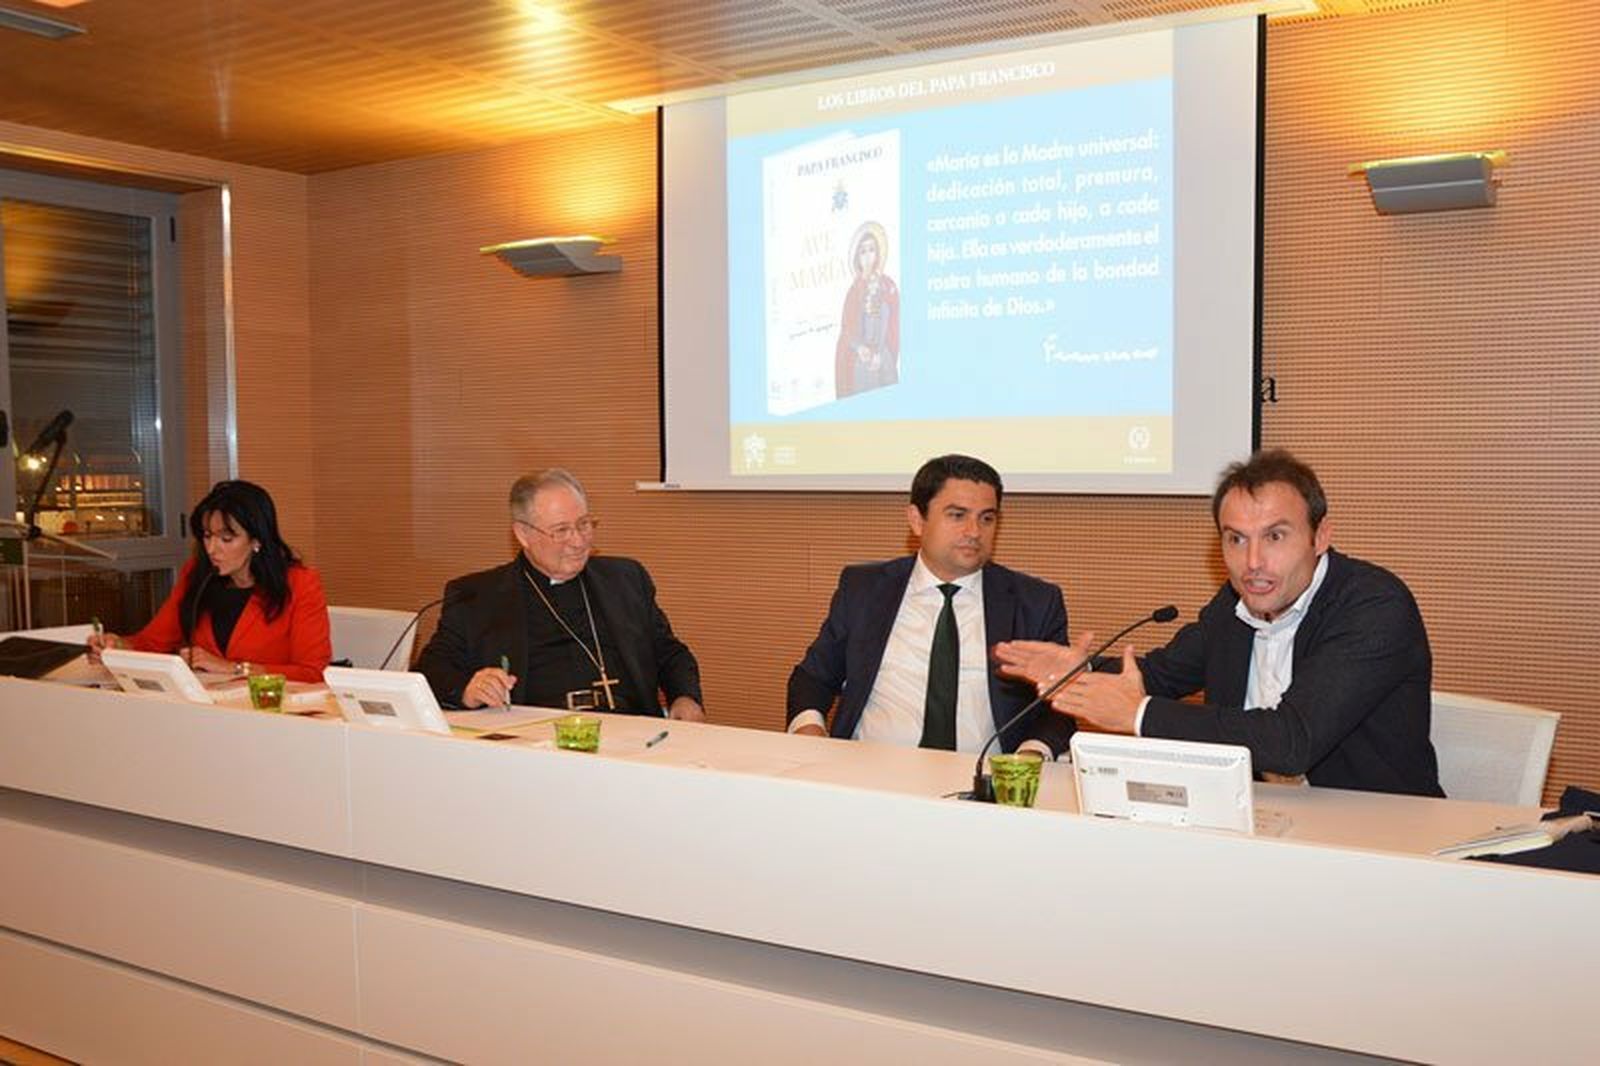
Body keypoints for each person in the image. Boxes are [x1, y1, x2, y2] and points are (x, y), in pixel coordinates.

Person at [995, 449, 1442, 796]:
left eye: (1275, 536)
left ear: (1320, 536)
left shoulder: (1373, 605)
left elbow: (1292, 741)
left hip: (1380, 831)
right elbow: (1158, 674)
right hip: (1259, 820)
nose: (1252, 563)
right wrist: (1080, 674)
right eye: (1235, 539)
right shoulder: (1234, 607)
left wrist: (1138, 714)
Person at [787, 454, 1074, 757]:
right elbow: (813, 677)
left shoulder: (1036, 602)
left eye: (987, 518)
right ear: (916, 520)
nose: (974, 532)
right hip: (868, 772)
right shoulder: (865, 588)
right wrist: (811, 731)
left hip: (984, 782)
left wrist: (1030, 755)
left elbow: (1059, 704)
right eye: (957, 515)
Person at [414, 469, 704, 718]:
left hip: (632, 734)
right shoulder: (477, 596)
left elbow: (670, 653)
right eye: (562, 530)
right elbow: (428, 671)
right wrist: (467, 688)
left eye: (584, 524)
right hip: (534, 743)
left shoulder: (626, 579)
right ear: (523, 534)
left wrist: (685, 697)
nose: (578, 541)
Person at [86, 480, 331, 683]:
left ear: (256, 540)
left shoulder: (300, 583)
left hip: (272, 712)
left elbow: (313, 672)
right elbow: (153, 642)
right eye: (207, 536)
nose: (212, 549)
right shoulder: (197, 575)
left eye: (226, 538)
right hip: (207, 711)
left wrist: (235, 669)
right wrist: (118, 646)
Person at [834, 221, 900, 400]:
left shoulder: (886, 285)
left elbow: (889, 319)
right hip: (861, 357)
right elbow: (846, 329)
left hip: (881, 354)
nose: (868, 256)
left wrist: (878, 352)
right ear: (857, 257)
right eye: (863, 251)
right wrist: (860, 347)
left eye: (872, 249)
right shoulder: (853, 292)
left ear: (878, 253)